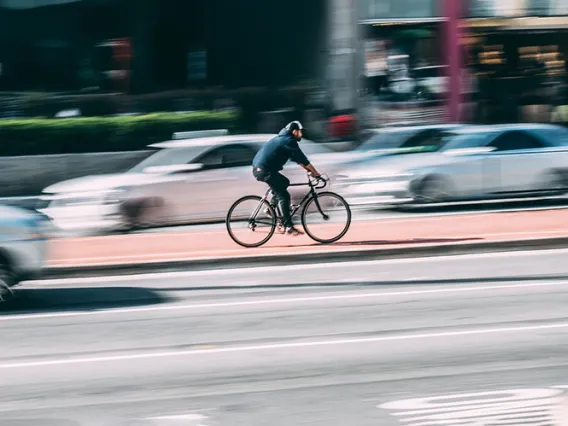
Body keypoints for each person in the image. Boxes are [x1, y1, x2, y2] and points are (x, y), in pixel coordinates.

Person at [252, 121, 321, 236]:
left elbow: (299, 160)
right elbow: (303, 159)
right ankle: (289, 227)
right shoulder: (288, 141)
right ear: (294, 131)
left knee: (284, 182)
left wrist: (310, 170)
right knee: (284, 196)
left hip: (263, 169)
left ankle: (271, 208)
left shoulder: (284, 139)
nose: (301, 135)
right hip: (264, 171)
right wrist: (316, 173)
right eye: (300, 132)